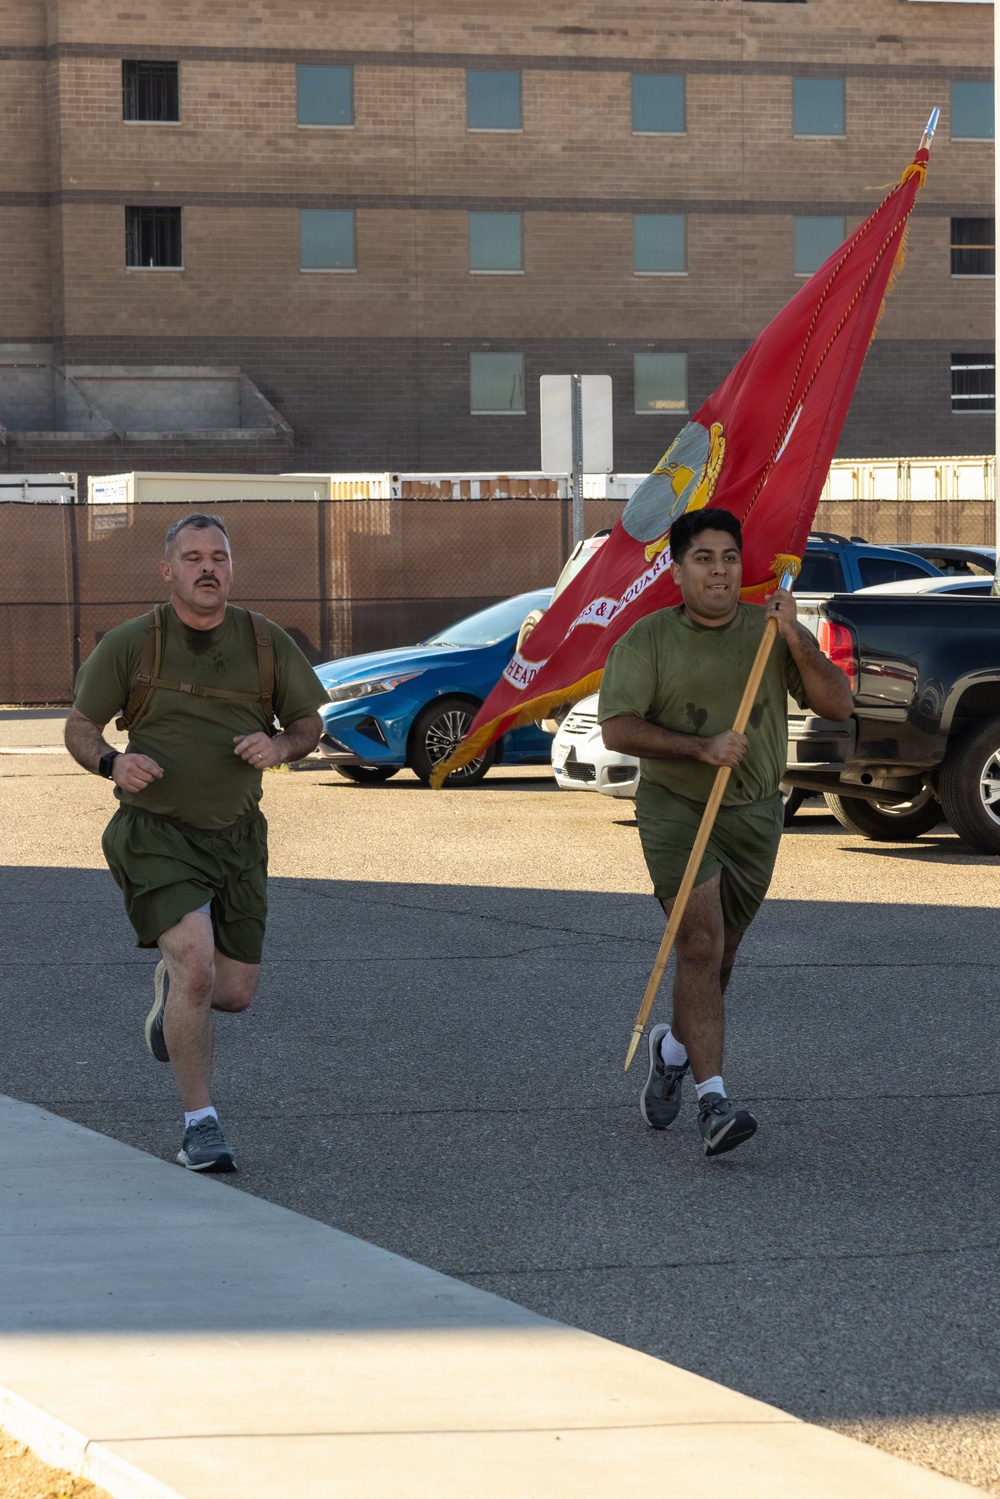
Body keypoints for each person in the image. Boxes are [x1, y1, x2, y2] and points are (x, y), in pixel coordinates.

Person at [65, 513, 326, 1173]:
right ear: (168, 569)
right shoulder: (134, 643)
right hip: (155, 833)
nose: (207, 568)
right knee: (199, 968)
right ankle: (199, 1124)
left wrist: (280, 745)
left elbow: (308, 723)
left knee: (233, 992)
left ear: (231, 568)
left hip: (238, 837)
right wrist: (111, 763)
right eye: (192, 557)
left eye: (218, 557)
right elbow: (79, 725)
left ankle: (173, 988)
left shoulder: (265, 642)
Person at [599, 507, 852, 1157]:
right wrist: (699, 746)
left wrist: (795, 636)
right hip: (677, 810)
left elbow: (837, 703)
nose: (719, 569)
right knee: (702, 944)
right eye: (704, 558)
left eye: (729, 557)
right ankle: (714, 1101)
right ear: (678, 568)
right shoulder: (648, 640)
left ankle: (675, 1049)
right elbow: (619, 729)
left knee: (720, 959)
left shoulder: (767, 633)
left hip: (757, 813)